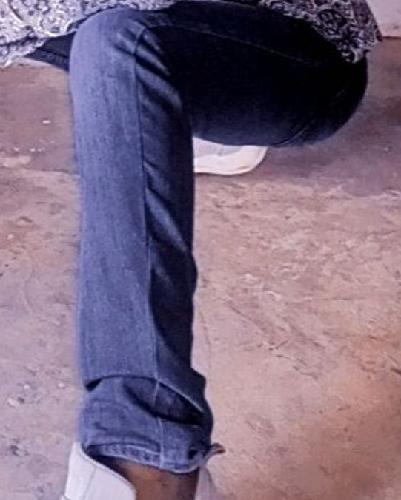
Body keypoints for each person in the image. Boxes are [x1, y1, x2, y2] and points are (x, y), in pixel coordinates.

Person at [10, 0, 381, 499]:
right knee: (105, 38)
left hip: (304, 50)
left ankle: (148, 459)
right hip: (177, 28)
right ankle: (163, 112)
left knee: (119, 43)